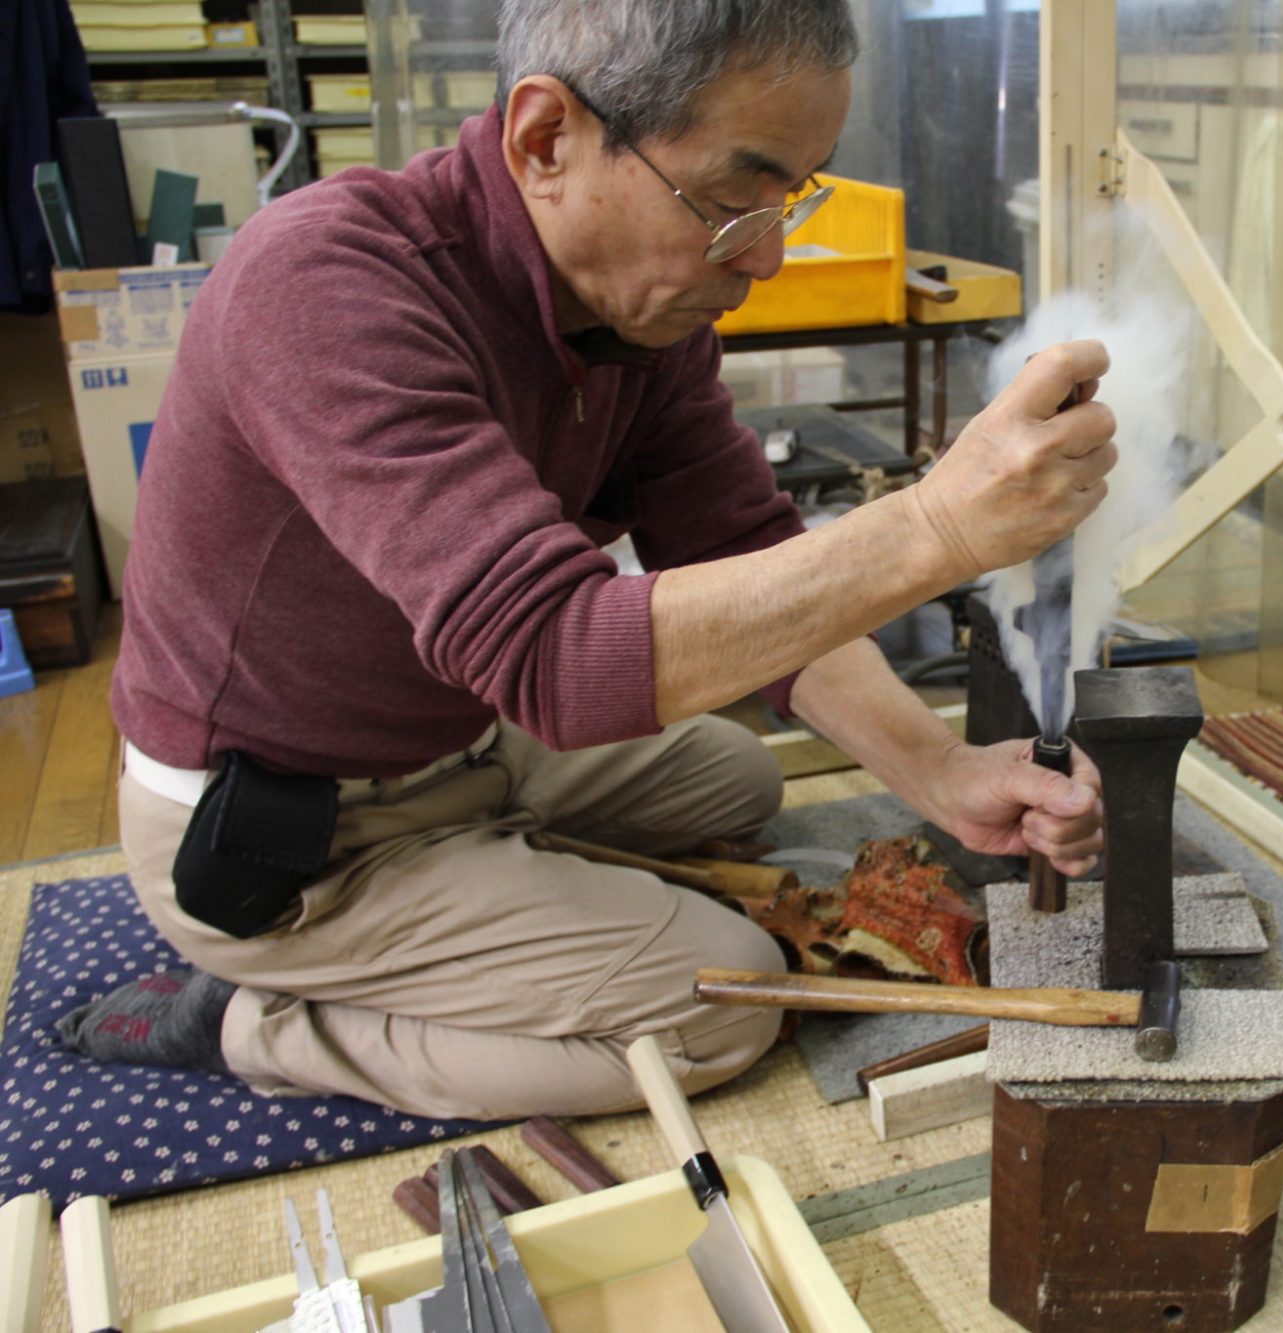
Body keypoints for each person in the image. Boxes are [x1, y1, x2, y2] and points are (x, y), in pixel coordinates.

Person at [56, 0, 1116, 1122]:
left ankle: (492, 873)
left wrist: (938, 773)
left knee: (740, 777)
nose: (766, 257)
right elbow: (553, 659)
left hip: (449, 740)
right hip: (289, 828)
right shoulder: (324, 284)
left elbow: (742, 548)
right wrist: (934, 527)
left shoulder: (635, 315)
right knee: (723, 1004)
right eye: (727, 201)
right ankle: (251, 1017)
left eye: (790, 197)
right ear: (545, 138)